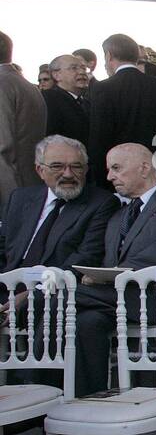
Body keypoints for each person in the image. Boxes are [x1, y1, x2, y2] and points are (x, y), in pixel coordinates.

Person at [73, 143, 156, 396]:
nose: (110, 176)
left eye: (116, 168)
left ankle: (28, 379)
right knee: (85, 322)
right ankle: (89, 407)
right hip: (119, 301)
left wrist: (112, 275)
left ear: (144, 168)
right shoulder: (118, 215)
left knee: (56, 296)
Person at [0, 134, 116, 274]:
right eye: (57, 166)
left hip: (55, 288)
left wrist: (36, 290)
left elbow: (86, 258)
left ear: (85, 170)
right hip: (8, 282)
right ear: (40, 171)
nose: (68, 174)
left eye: (76, 166)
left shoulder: (101, 203)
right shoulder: (20, 198)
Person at [86, 33, 156, 191]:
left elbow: (100, 137)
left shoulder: (103, 88)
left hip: (121, 175)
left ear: (108, 55)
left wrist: (102, 180)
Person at [0, 30, 48, 202]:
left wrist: (9, 200)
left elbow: (3, 147)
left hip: (11, 190)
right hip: (30, 183)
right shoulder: (26, 84)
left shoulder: (2, 84)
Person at [43, 54, 93, 150]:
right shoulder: (49, 99)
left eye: (84, 68)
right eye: (74, 68)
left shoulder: (87, 102)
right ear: (56, 75)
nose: (82, 72)